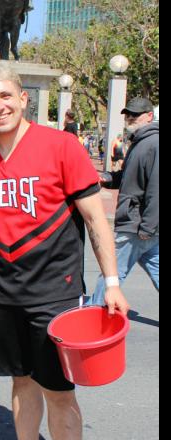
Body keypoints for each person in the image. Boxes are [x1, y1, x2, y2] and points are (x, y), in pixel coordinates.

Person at [0, 62, 129, 440]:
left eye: (5, 96)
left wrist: (112, 281)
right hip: (3, 291)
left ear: (23, 99)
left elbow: (95, 218)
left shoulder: (61, 146)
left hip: (56, 291)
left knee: (59, 392)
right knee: (20, 382)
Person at [91, 97, 158, 304]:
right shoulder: (140, 142)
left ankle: (94, 310)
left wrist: (147, 227)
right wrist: (107, 179)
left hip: (137, 225)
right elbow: (128, 177)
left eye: (135, 114)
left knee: (112, 272)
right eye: (128, 114)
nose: (130, 118)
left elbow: (156, 189)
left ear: (149, 116)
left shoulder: (153, 143)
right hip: (141, 224)